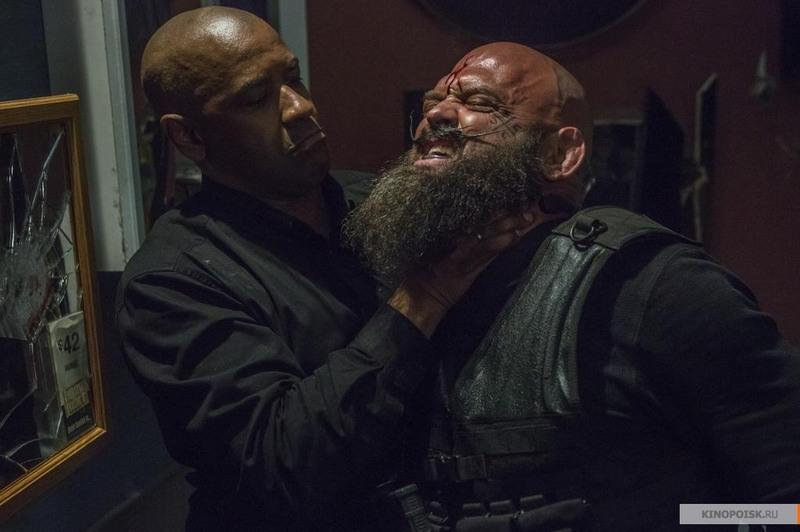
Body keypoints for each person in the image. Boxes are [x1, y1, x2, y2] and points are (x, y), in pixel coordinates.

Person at [345, 42, 800, 531]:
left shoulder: (650, 284)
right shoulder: (409, 295)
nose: (436, 115)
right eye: (432, 103)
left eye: (479, 103)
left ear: (559, 154)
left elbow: (785, 507)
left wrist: (669, 521)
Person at [116, 8, 536, 532]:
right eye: (256, 98)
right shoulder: (171, 281)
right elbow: (285, 462)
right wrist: (424, 295)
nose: (300, 107)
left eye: (293, 78)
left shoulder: (374, 201)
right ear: (189, 137)